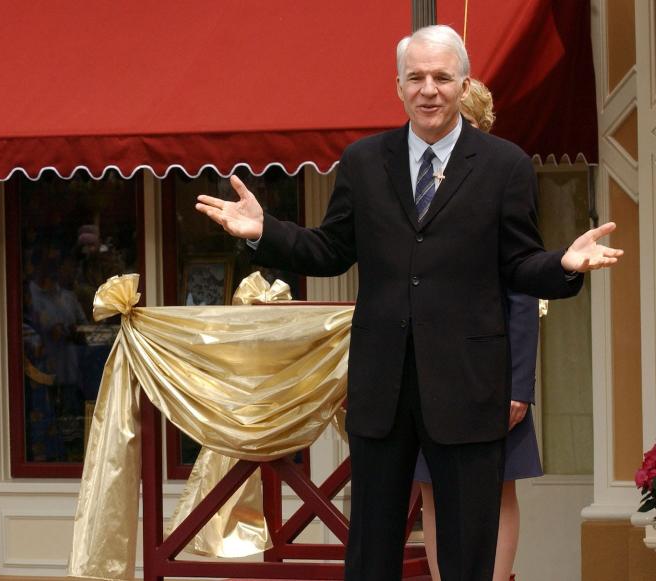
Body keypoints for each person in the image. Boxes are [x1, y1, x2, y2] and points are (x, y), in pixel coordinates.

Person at [195, 25, 621, 581]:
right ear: (398, 86)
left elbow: (518, 264)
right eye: (416, 77)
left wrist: (563, 264)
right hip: (381, 387)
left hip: (468, 388)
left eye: (442, 77)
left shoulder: (504, 165)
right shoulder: (364, 162)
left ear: (463, 84)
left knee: (470, 549)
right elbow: (329, 251)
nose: (429, 89)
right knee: (372, 549)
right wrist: (263, 232)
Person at [413, 78, 539, 581]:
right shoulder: (411, 182)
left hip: (490, 376)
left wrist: (518, 385)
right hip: (424, 372)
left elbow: (524, 292)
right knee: (431, 492)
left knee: (498, 487)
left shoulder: (503, 177)